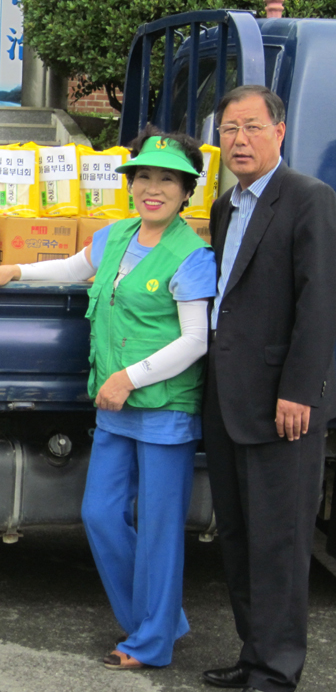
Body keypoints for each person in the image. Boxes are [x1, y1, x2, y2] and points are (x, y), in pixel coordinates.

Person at [0, 128, 217, 670]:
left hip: (162, 405)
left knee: (160, 528)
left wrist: (130, 377)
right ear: (131, 184)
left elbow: (197, 339)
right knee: (100, 513)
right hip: (116, 403)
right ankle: (159, 620)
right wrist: (16, 271)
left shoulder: (192, 255)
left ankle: (151, 642)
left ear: (187, 191)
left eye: (167, 180)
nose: (153, 188)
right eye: (144, 175)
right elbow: (74, 269)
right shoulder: (117, 235)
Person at [200, 85, 336, 692]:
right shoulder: (225, 206)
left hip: (285, 405)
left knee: (280, 544)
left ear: (279, 132)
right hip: (229, 400)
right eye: (229, 129)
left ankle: (277, 673)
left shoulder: (309, 199)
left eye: (252, 127)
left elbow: (321, 303)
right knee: (239, 537)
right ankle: (253, 655)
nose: (240, 140)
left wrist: (300, 391)